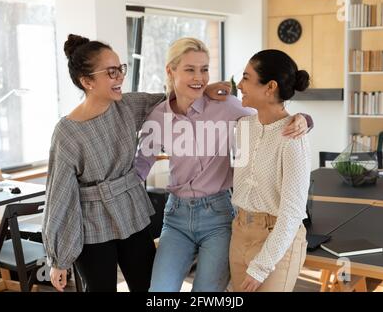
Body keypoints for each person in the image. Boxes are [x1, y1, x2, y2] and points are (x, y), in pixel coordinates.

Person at [42, 34, 227, 292]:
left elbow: (173, 99)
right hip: (92, 223)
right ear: (87, 81)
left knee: (148, 287)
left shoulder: (128, 106)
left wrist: (202, 87)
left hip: (133, 214)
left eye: (120, 69)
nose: (120, 77)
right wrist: (58, 259)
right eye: (111, 72)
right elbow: (59, 197)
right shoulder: (67, 132)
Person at [135, 38, 313, 292]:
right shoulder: (158, 117)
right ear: (170, 70)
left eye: (204, 69)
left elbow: (272, 118)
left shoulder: (229, 107)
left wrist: (304, 119)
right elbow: (139, 168)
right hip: (177, 217)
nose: (199, 77)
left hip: (218, 215)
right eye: (190, 69)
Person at [229, 49, 312, 292]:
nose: (240, 84)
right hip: (240, 233)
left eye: (246, 77)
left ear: (270, 87)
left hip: (276, 240)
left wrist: (261, 267)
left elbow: (293, 213)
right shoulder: (243, 127)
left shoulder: (293, 136)